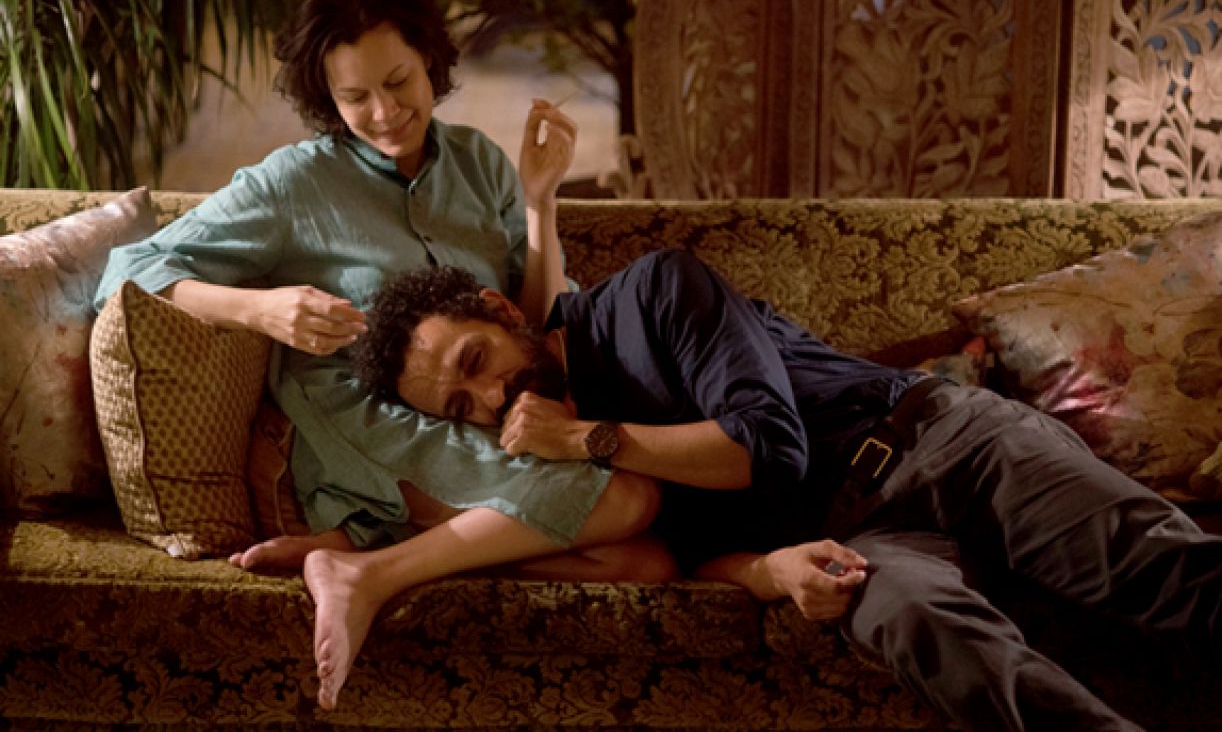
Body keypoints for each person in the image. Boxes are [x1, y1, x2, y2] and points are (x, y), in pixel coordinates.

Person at [93, 0, 667, 707]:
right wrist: (258, 310)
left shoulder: (478, 163)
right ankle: (362, 559)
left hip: (470, 415)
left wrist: (539, 203)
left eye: (398, 82)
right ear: (325, 100)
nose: (385, 112)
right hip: (359, 424)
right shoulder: (292, 184)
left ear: (429, 58)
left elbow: (534, 322)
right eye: (354, 97)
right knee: (627, 498)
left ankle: (371, 553)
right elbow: (126, 271)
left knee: (643, 563)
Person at [349, 249, 1222, 732]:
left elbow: (767, 445)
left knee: (1163, 568)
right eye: (461, 406)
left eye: (477, 361)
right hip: (866, 542)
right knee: (916, 622)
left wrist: (589, 439)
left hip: (943, 439)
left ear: (504, 313)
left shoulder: (655, 292)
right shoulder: (546, 466)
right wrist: (768, 570)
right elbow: (679, 557)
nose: (489, 397)